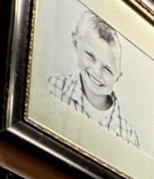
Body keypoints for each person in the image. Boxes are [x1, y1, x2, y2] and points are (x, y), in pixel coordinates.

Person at [47, 8, 142, 147]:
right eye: (90, 56)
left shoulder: (128, 136)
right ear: (76, 43)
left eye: (107, 69)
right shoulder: (53, 86)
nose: (96, 72)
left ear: (118, 76)